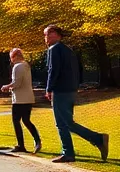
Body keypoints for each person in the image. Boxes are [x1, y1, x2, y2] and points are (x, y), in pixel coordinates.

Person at [44, 25, 108, 163]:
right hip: (70, 89)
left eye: (51, 34)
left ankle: (97, 139)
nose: (47, 37)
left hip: (60, 90)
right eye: (46, 35)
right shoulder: (68, 50)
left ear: (59, 35)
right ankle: (68, 153)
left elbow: (53, 70)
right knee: (64, 123)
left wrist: (49, 88)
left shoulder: (54, 49)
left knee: (64, 123)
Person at [1, 47, 41, 154]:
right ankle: (37, 140)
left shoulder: (17, 67)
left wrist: (6, 86)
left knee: (16, 121)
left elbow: (16, 84)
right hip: (28, 98)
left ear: (14, 57)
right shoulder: (26, 65)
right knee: (26, 120)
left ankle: (21, 145)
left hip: (19, 99)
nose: (11, 60)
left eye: (11, 58)